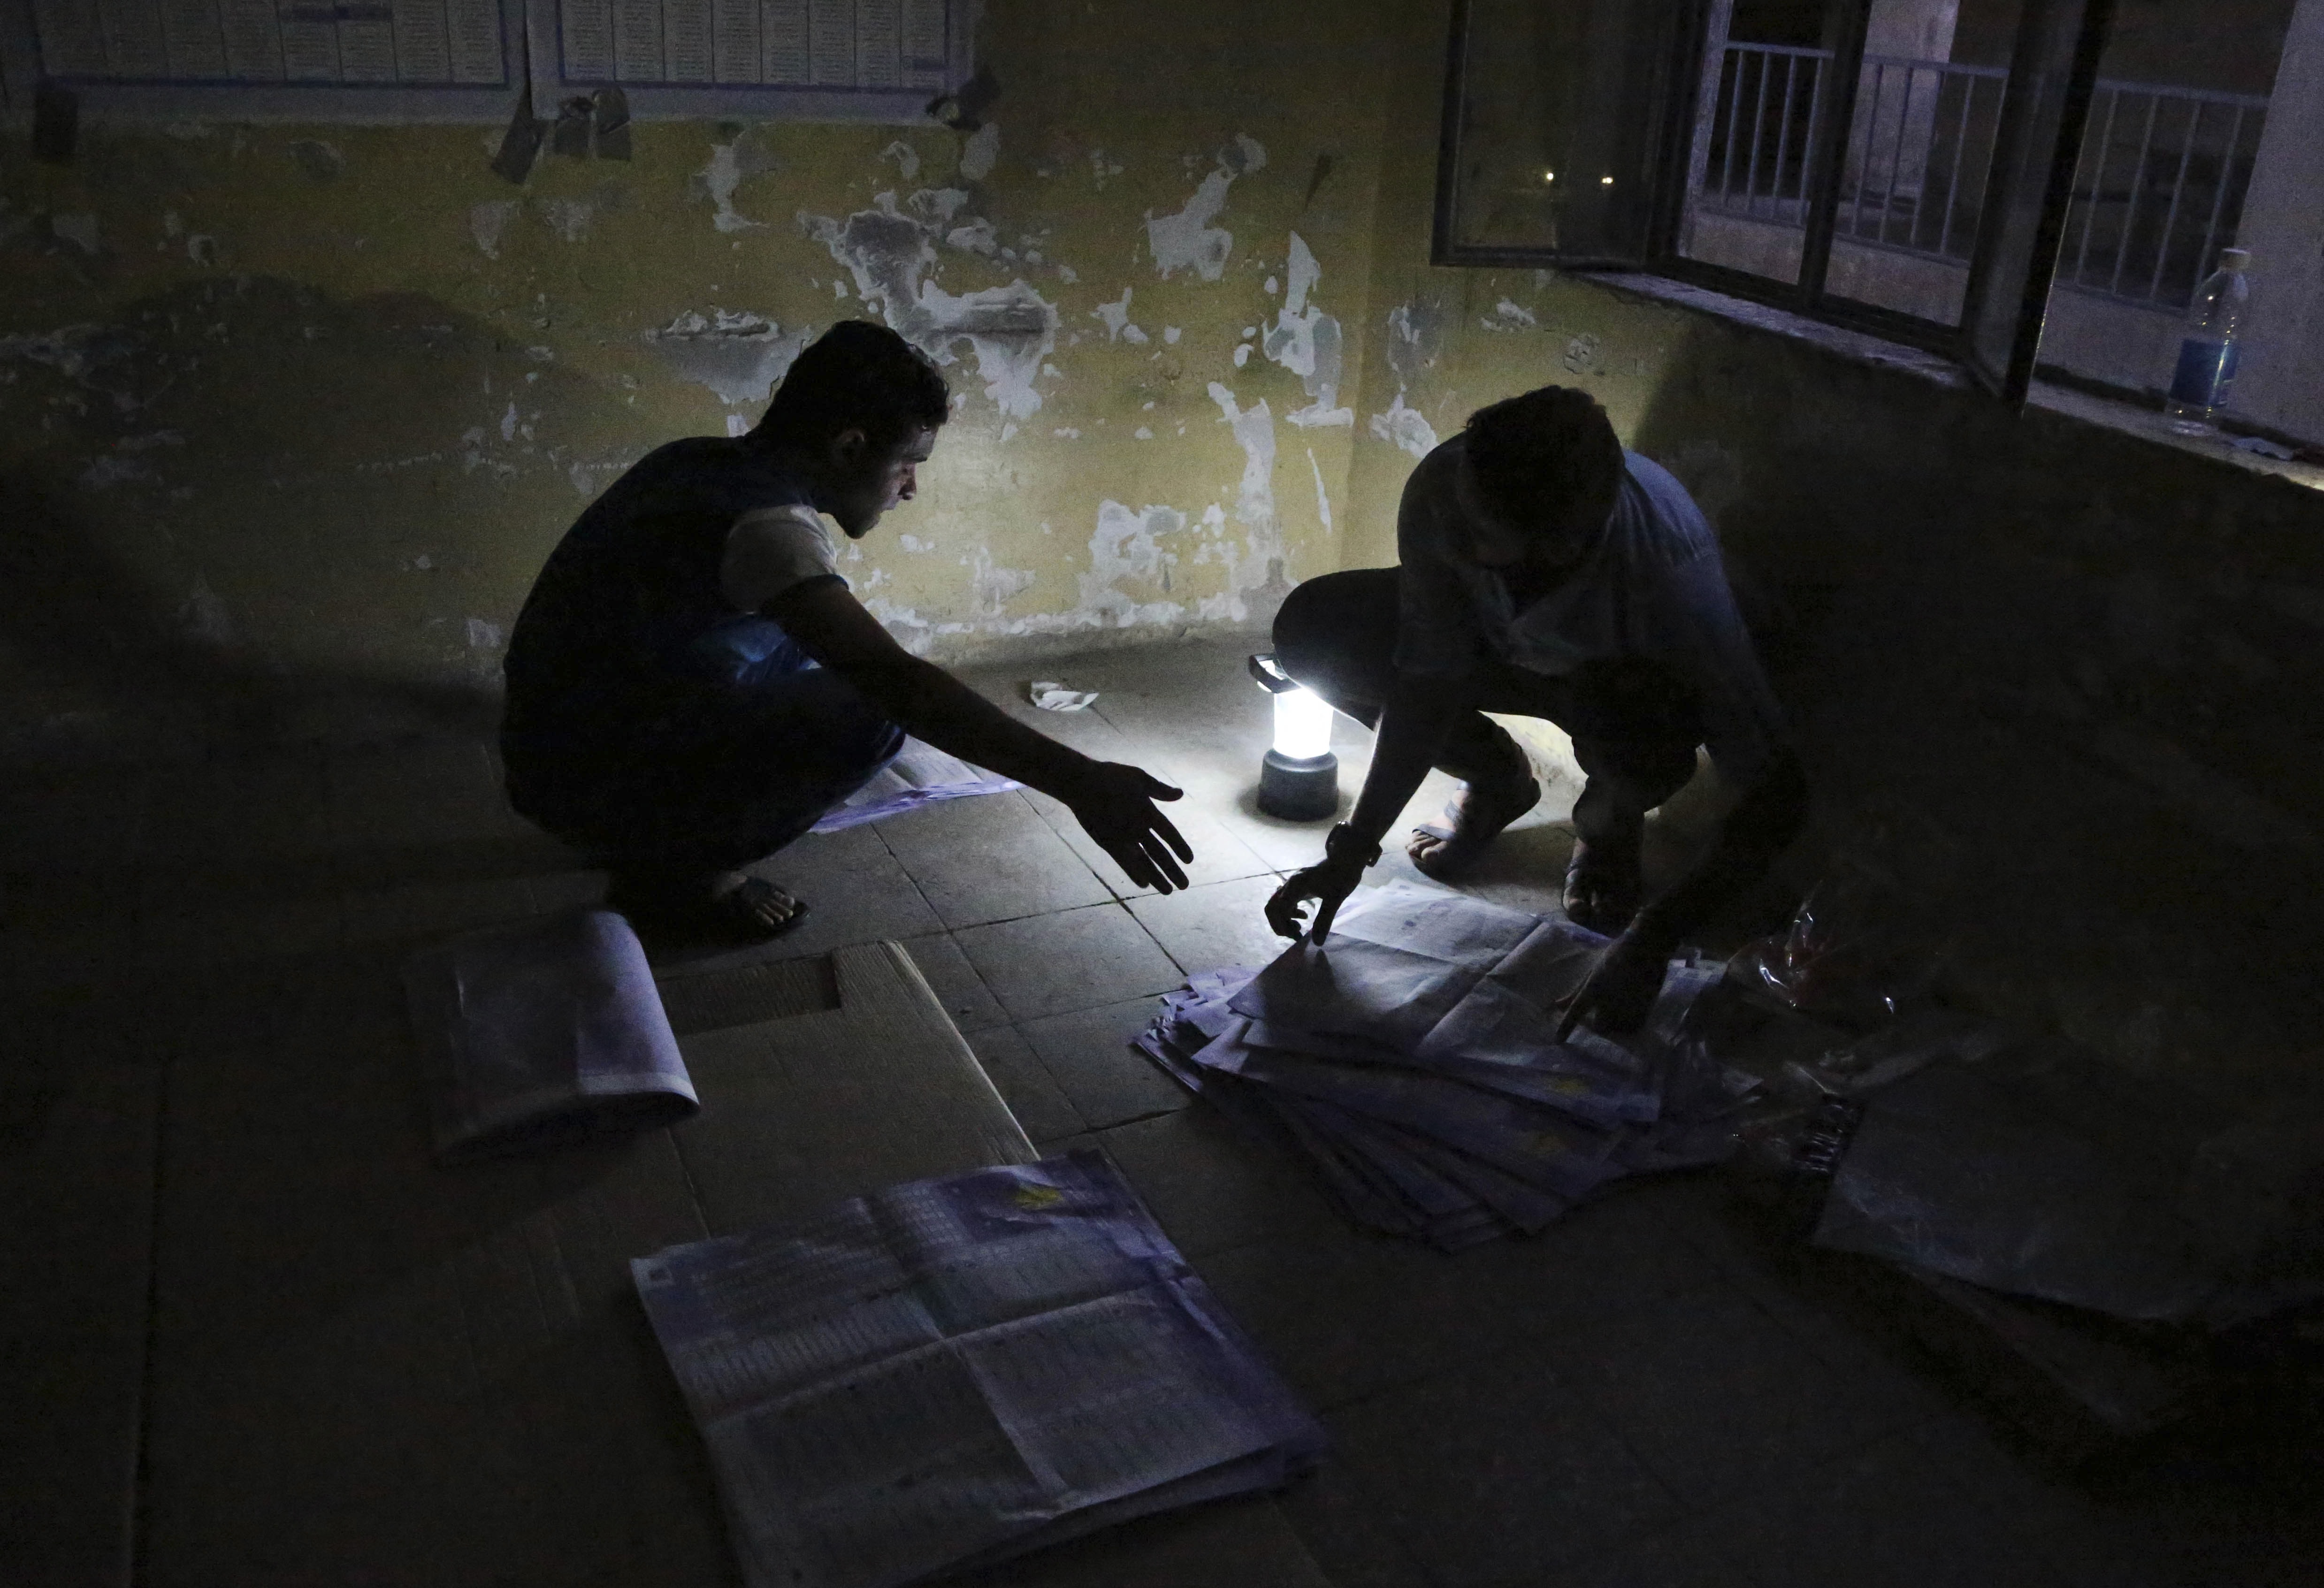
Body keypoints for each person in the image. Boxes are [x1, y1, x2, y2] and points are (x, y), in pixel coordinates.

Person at [500, 320, 1193, 936]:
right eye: (908, 464)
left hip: (546, 746)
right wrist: (1079, 780)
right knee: (868, 713)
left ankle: (640, 826)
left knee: (813, 652)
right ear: (850, 446)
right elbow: (899, 683)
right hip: (580, 784)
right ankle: (680, 878)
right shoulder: (770, 530)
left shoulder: (697, 459)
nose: (912, 489)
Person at [1262, 385, 1806, 1034]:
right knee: (1318, 633)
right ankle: (1496, 782)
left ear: (1556, 546)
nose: (1449, 533)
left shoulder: (1669, 582)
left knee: (1643, 744)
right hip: (1498, 646)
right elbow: (1425, 678)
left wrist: (1655, 936)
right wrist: (1352, 848)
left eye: (1476, 534)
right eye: (1462, 513)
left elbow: (1779, 793)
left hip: (1612, 680)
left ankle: (1609, 827)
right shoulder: (1450, 486)